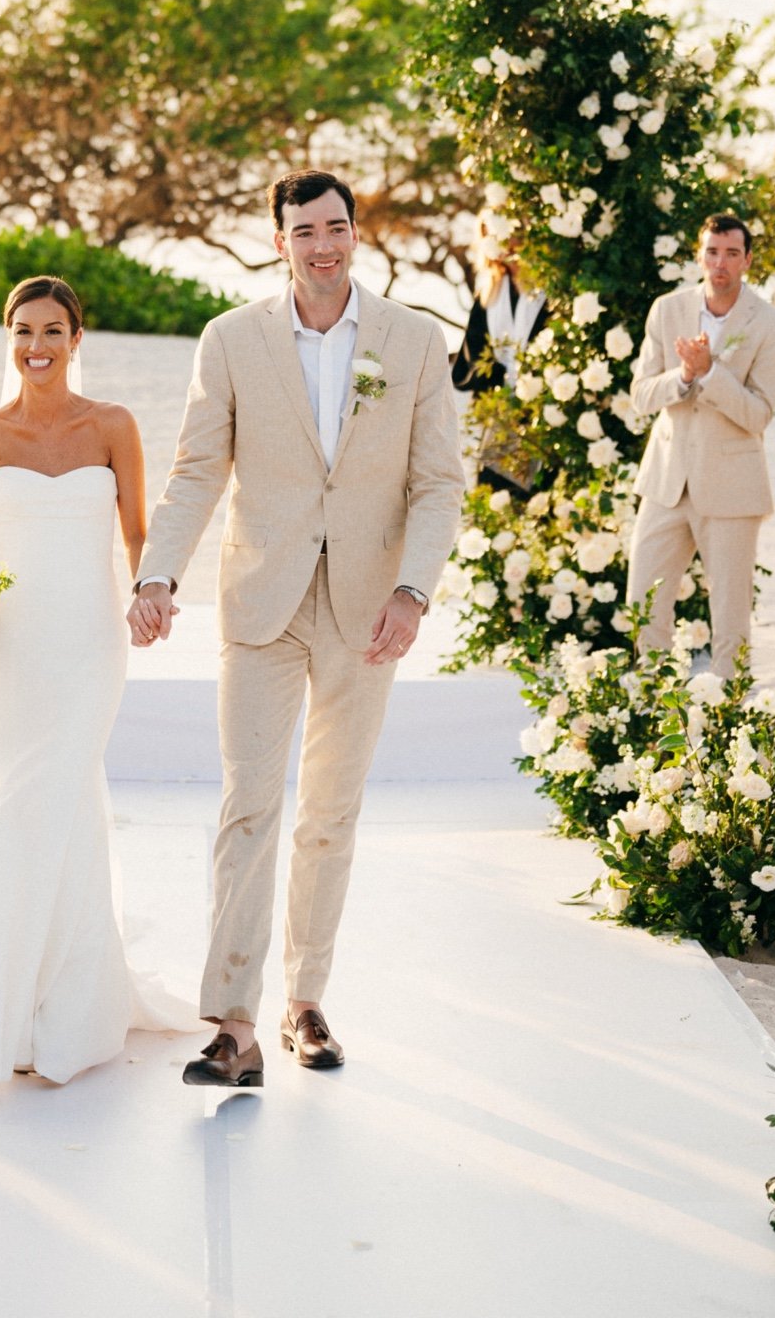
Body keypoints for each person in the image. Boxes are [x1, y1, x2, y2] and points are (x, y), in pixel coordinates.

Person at [128, 170, 464, 1089]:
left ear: (358, 234)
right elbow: (197, 469)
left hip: (368, 611)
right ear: (279, 241)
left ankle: (305, 1002)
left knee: (330, 812)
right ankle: (233, 1022)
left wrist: (412, 592)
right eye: (305, 231)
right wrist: (158, 572)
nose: (324, 245)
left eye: (338, 228)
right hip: (260, 600)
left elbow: (439, 482)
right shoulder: (231, 340)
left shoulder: (413, 339)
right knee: (248, 805)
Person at [0, 276, 194, 1089]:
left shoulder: (113, 426)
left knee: (63, 793)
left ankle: (67, 1008)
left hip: (91, 642)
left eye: (53, 330)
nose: (37, 346)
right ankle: (12, 1006)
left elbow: (139, 534)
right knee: (27, 800)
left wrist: (150, 595)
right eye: (23, 331)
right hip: (10, 649)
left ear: (77, 338)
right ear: (8, 339)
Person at [627, 212, 775, 679]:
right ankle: (650, 706)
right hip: (665, 481)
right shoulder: (667, 310)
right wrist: (683, 375)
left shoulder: (773, 325)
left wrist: (711, 374)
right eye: (712, 252)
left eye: (731, 254)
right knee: (643, 602)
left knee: (731, 617)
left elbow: (759, 414)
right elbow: (641, 395)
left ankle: (726, 723)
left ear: (747, 261)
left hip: (733, 487)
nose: (720, 263)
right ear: (700, 255)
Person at [451, 212, 548, 397]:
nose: (500, 243)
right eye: (490, 237)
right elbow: (476, 355)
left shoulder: (547, 286)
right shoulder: (487, 297)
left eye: (504, 234)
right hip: (502, 403)